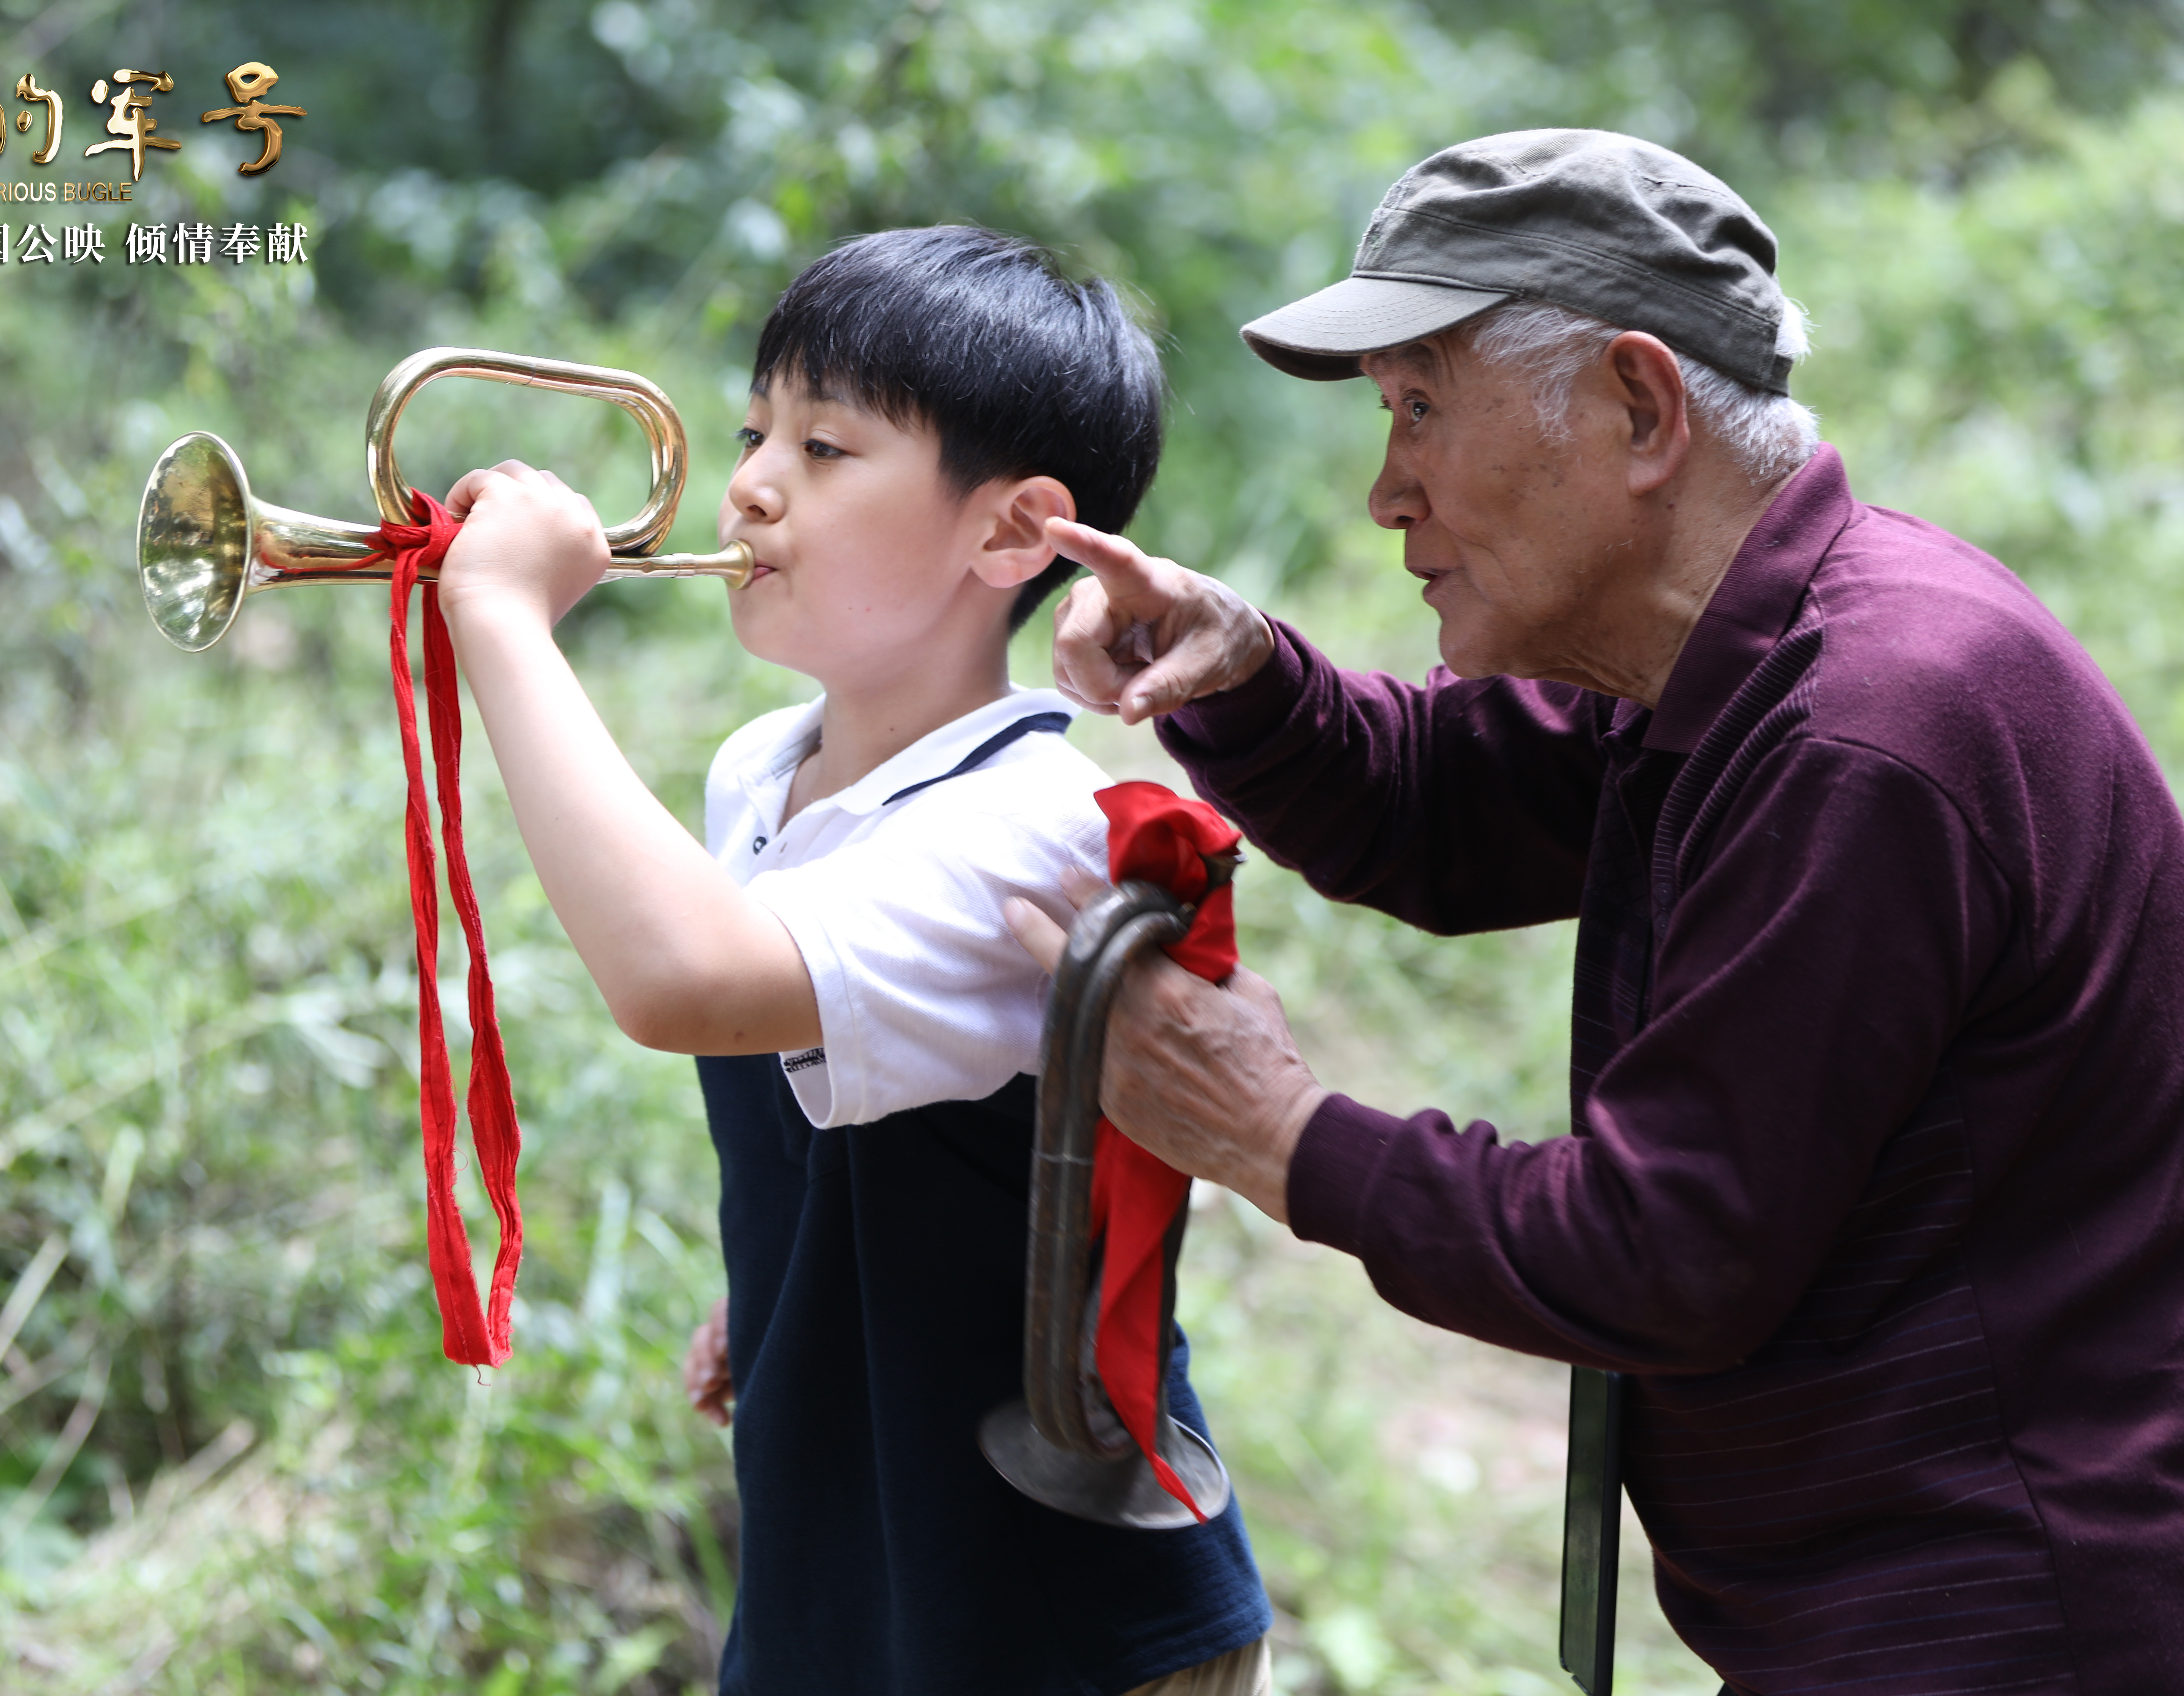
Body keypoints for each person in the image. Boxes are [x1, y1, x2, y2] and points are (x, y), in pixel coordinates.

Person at [1011, 130, 2184, 1693]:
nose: (1385, 491)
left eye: (1423, 408)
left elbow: (1667, 1247)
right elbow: (1439, 809)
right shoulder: (1734, 657)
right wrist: (1243, 669)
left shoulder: (1867, 725)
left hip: (2013, 1621)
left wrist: (1281, 1133)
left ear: (1641, 408)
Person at [434, 226, 1274, 1696]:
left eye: (825, 449)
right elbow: (876, 1111)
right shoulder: (765, 768)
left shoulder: (1033, 825)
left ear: (1011, 535)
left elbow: (684, 980)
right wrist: (791, 1283)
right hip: (857, 1560)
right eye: (756, 432)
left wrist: (502, 620)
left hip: (1055, 1618)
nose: (752, 484)